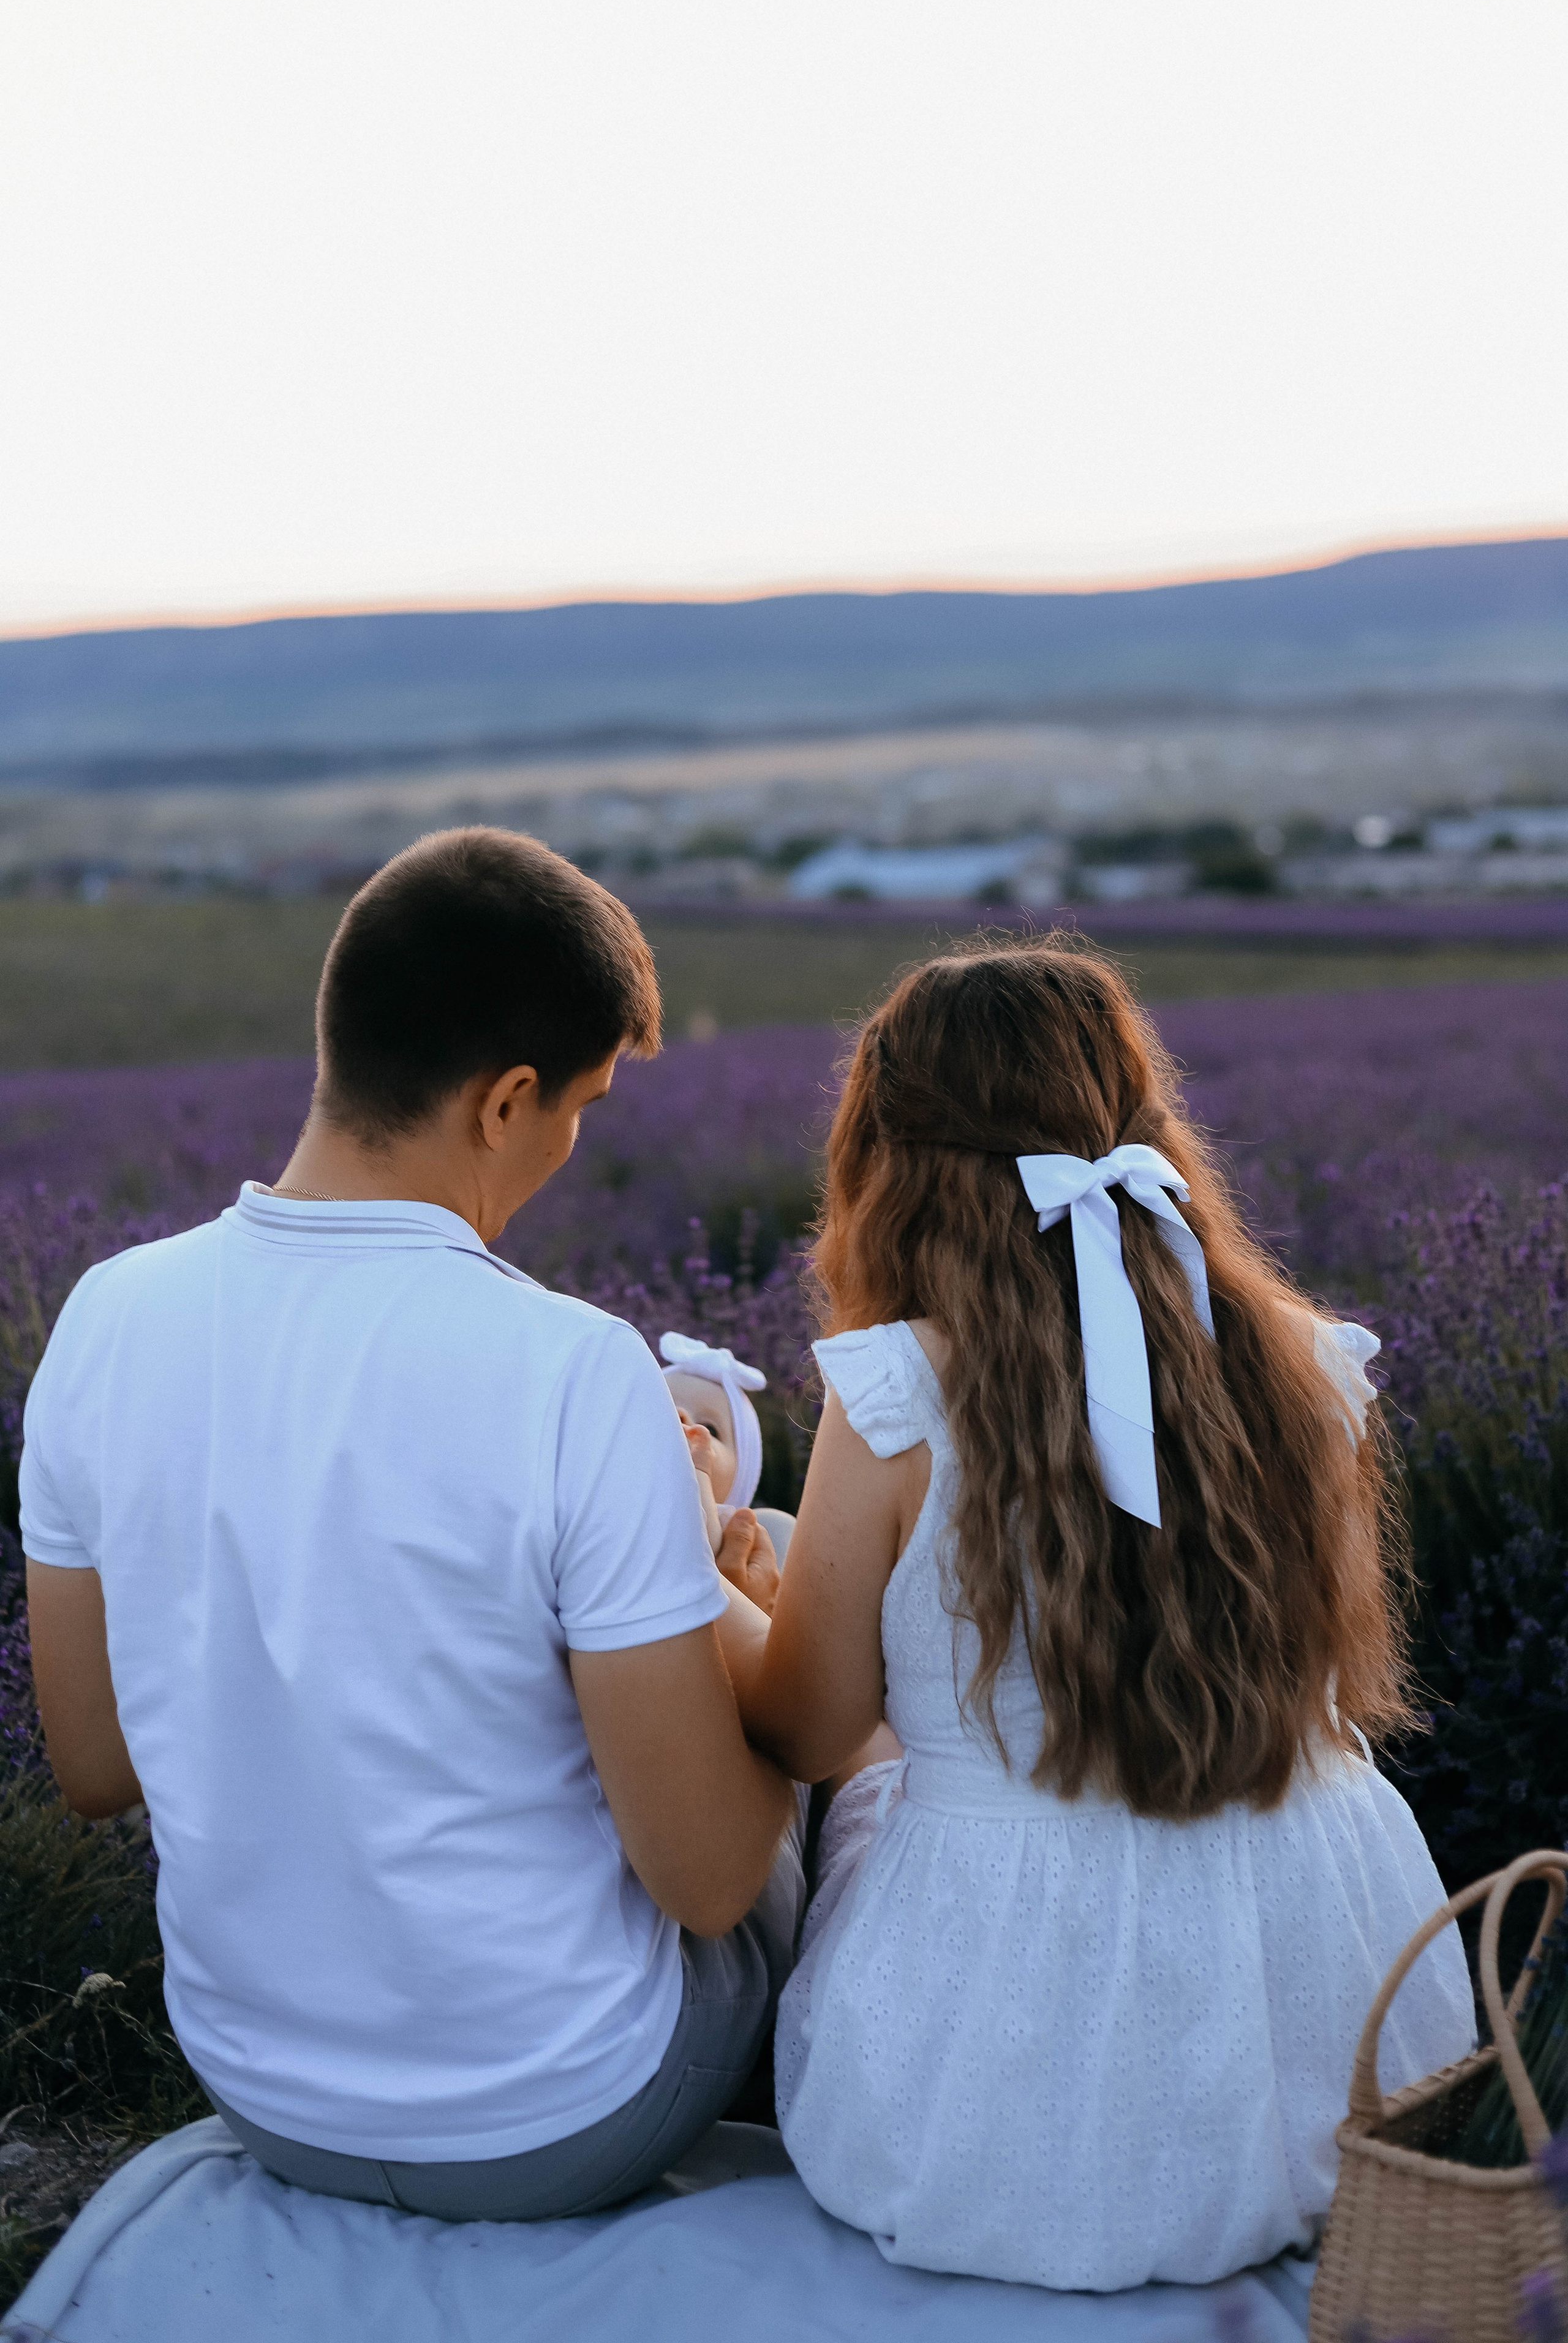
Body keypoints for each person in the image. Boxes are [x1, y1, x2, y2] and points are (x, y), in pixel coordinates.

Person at [21, 827, 799, 2223]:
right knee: (807, 1650)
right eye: (585, 1102)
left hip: (262, 2094)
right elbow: (705, 1875)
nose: (574, 1142)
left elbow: (89, 1759)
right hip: (573, 2109)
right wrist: (752, 1661)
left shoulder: (102, 1317)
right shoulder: (574, 1370)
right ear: (506, 1099)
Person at [728, 939, 1476, 2292]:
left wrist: (736, 1602)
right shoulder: (1307, 1364)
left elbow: (810, 1724)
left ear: (886, 1157)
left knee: (887, 1764)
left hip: (990, 2107)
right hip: (1329, 2019)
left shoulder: (897, 1395)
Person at [660, 1331, 797, 1568]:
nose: (680, 1417)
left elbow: (702, 1558)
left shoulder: (736, 1531)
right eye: (662, 1407)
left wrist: (698, 1477)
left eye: (711, 1430)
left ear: (740, 1479)